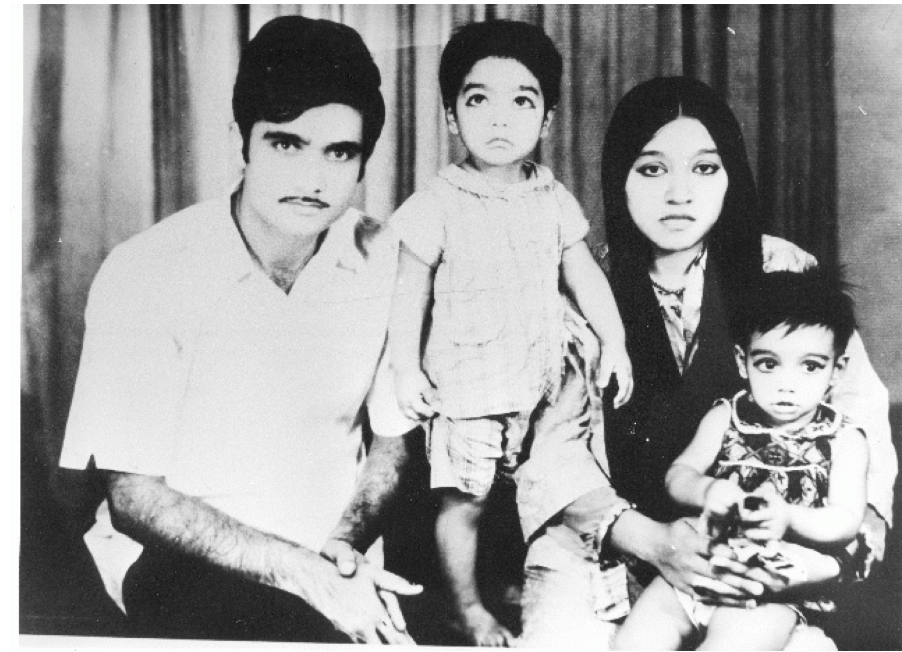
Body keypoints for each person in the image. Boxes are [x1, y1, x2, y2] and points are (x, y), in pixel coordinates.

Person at [58, 16, 423, 644]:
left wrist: (338, 552)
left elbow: (392, 443)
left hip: (338, 557)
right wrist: (304, 574)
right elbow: (134, 495)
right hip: (177, 564)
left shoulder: (386, 257)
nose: (313, 179)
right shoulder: (146, 270)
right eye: (287, 144)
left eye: (339, 152)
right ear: (241, 142)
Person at [515, 76, 896, 648]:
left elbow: (857, 412)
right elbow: (550, 449)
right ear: (619, 177)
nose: (679, 194)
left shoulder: (782, 268)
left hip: (758, 553)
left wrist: (851, 530)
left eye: (704, 168)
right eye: (651, 169)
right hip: (609, 548)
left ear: (730, 176)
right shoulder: (583, 285)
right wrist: (653, 541)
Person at [387, 20, 633, 647]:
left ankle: (530, 586)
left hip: (542, 381)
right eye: (479, 100)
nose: (500, 118)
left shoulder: (552, 198)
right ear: (451, 116)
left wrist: (615, 343)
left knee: (540, 489)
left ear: (547, 120)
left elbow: (584, 276)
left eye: (522, 101)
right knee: (464, 502)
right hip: (468, 384)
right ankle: (467, 606)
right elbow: (409, 292)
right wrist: (405, 369)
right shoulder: (437, 202)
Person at [614, 268, 868, 650]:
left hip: (769, 588)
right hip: (700, 564)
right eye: (768, 363)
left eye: (810, 366)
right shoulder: (725, 417)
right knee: (635, 639)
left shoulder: (843, 439)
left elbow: (846, 520)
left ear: (837, 370)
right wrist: (706, 489)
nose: (786, 384)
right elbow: (678, 474)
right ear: (741, 361)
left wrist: (789, 517)